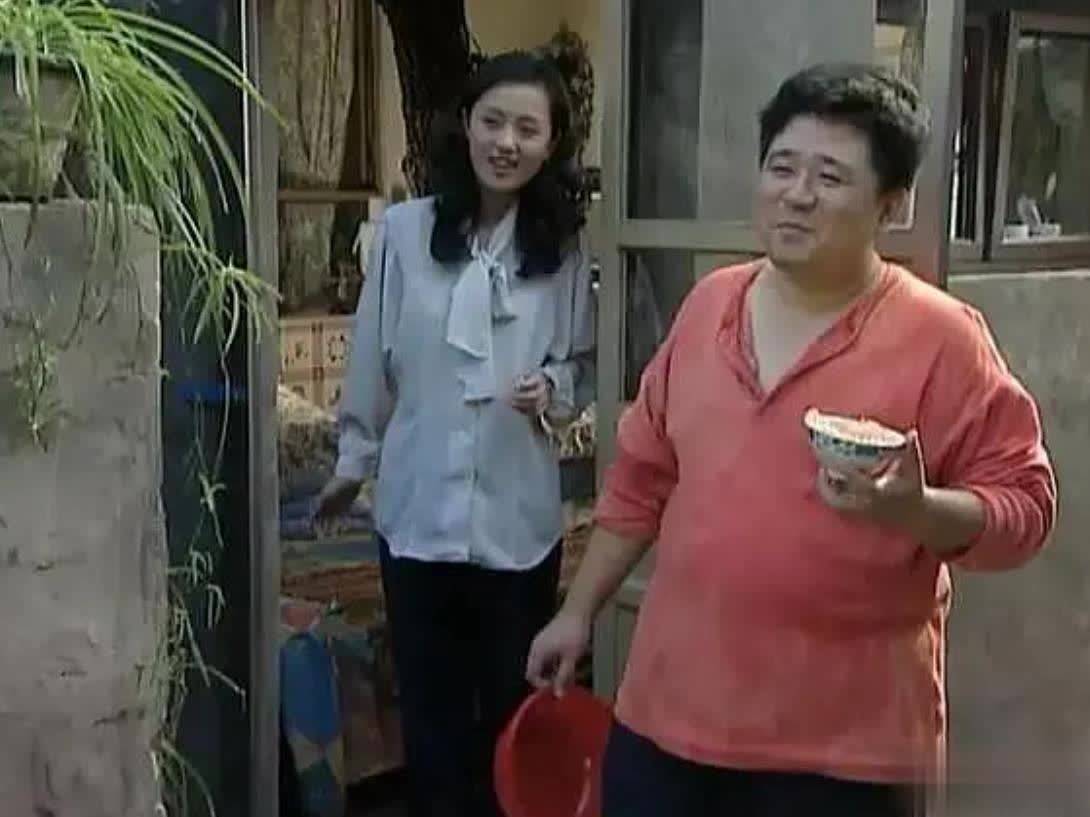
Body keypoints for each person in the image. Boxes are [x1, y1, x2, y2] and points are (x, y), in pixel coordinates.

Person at [527, 63, 1057, 816]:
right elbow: (642, 477)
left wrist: (917, 511)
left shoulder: (942, 339)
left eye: (830, 177)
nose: (797, 194)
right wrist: (577, 612)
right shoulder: (710, 305)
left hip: (844, 752)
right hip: (668, 720)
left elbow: (1026, 509)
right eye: (782, 167)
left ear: (892, 205)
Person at [314, 51, 595, 817]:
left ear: (551, 143)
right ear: (464, 125)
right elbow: (372, 357)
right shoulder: (405, 233)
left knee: (511, 709)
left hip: (518, 522)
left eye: (527, 129)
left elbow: (581, 360)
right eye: (492, 121)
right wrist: (353, 458)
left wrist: (553, 388)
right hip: (416, 516)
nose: (506, 142)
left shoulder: (564, 248)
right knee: (431, 718)